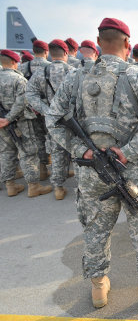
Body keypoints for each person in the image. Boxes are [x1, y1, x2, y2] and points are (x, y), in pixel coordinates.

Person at [46, 17, 138, 309]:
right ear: (128, 43)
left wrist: (81, 148)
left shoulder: (77, 77)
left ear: (99, 42)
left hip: (92, 171)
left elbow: (52, 119)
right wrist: (128, 151)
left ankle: (99, 288)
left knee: (95, 228)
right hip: (133, 171)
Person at [25, 39, 75, 200]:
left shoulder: (41, 72)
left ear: (50, 53)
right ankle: (82, 187)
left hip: (53, 120)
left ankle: (58, 188)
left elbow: (30, 94)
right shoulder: (74, 71)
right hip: (73, 119)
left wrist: (47, 111)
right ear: (66, 53)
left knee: (57, 151)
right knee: (77, 151)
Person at [0, 49, 52, 198]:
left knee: (6, 152)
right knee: (28, 152)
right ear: (13, 62)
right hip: (19, 122)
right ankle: (33, 186)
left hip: (1, 124)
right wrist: (9, 118)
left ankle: (10, 186)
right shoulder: (19, 80)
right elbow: (22, 101)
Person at [18, 40, 51, 178]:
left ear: (33, 51)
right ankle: (60, 170)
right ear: (46, 52)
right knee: (53, 138)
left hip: (31, 110)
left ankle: (42, 169)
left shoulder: (22, 68)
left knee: (38, 139)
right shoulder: (49, 67)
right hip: (49, 109)